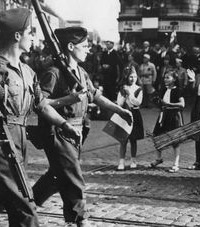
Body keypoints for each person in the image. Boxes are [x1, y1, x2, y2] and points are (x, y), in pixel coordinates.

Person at [0, 8, 81, 227]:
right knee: (25, 206)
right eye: (30, 32)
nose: (33, 37)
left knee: (4, 195)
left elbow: (41, 105)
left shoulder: (27, 71)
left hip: (20, 141)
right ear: (17, 36)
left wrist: (64, 124)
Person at [31, 27, 133, 227]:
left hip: (76, 133)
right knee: (74, 179)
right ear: (70, 47)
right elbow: (39, 104)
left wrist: (118, 110)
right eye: (84, 46)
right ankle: (82, 221)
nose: (88, 50)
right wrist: (67, 99)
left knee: (56, 177)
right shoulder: (54, 73)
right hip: (59, 133)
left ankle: (20, 205)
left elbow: (95, 95)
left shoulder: (80, 72)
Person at [150, 70, 185, 172]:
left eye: (168, 77)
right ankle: (158, 158)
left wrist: (170, 105)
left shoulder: (178, 90)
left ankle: (176, 163)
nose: (165, 79)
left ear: (174, 79)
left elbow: (182, 104)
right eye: (165, 77)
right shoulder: (163, 90)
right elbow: (161, 102)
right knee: (157, 136)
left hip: (174, 116)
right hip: (164, 115)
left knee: (175, 140)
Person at [116, 67, 144, 170]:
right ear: (126, 77)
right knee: (123, 139)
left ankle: (133, 160)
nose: (133, 79)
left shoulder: (139, 89)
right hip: (125, 114)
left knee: (133, 139)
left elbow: (137, 102)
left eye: (135, 76)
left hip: (135, 114)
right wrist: (124, 94)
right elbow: (119, 103)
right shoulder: (122, 88)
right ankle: (121, 161)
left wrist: (130, 94)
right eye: (131, 76)